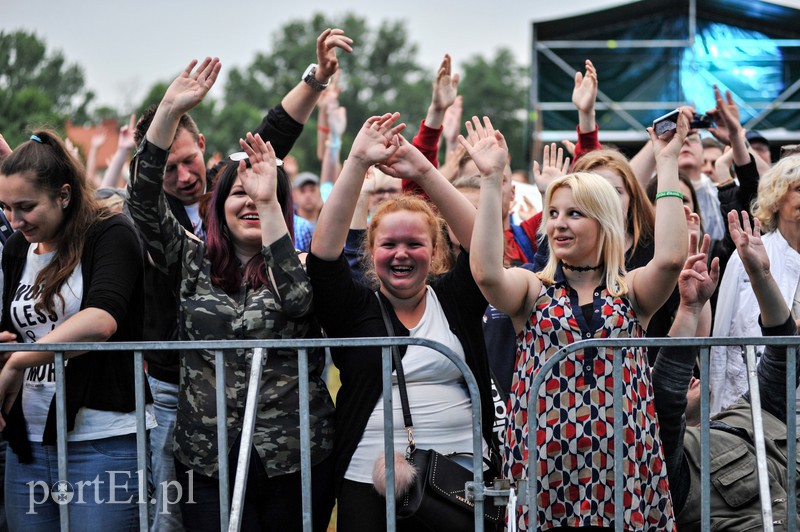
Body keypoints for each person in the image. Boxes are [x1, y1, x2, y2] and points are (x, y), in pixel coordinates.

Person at [131, 28, 351, 531]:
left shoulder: (294, 255)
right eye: (238, 195)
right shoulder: (188, 257)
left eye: (260, 192)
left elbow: (297, 301)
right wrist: (167, 112)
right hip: (208, 455)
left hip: (292, 453)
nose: (249, 201)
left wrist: (269, 199)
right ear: (216, 206)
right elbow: (143, 201)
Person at [469, 109, 690, 530]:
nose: (558, 224)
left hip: (622, 466)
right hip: (545, 467)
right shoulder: (533, 288)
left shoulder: (631, 289)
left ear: (603, 221)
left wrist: (667, 161)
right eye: (553, 213)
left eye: (574, 214)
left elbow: (672, 258)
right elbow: (485, 273)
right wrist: (490, 180)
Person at [307, 113, 497, 531]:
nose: (401, 254)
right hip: (367, 479)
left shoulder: (455, 299)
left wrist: (425, 172)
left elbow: (480, 248)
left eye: (415, 243)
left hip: (459, 478)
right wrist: (356, 161)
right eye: (389, 244)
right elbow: (323, 257)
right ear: (370, 251)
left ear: (435, 251)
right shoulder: (354, 308)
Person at [0, 130, 151, 531]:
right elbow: (13, 328)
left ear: (63, 196)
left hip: (102, 438)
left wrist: (18, 363)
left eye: (25, 207)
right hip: (28, 441)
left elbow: (101, 321)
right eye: (6, 208)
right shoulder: (18, 249)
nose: (15, 222)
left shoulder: (110, 233)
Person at [653, 215, 800, 530]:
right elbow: (666, 393)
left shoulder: (754, 409)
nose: (688, 379)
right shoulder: (670, 462)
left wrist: (760, 275)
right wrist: (689, 309)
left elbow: (783, 348)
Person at [710, 155, 800, 422]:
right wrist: (717, 412)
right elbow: (722, 334)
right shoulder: (748, 253)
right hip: (754, 405)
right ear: (776, 197)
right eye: (799, 188)